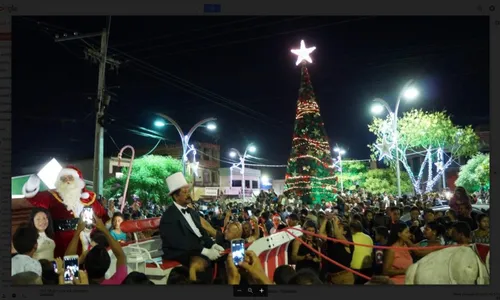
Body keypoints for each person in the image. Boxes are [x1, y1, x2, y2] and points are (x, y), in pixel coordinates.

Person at [21, 166, 109, 257]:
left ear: (77, 180)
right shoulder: (52, 196)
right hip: (63, 242)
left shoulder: (89, 197)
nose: (67, 181)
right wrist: (32, 184)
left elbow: (103, 216)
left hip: (89, 241)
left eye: (70, 177)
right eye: (63, 179)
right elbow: (33, 198)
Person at [159, 172, 224, 276]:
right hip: (180, 252)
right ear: (176, 196)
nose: (188, 194)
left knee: (223, 257)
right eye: (184, 192)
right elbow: (180, 242)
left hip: (196, 249)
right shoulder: (169, 217)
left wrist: (213, 245)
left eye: (188, 191)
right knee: (201, 263)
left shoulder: (192, 212)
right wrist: (205, 251)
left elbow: (202, 233)